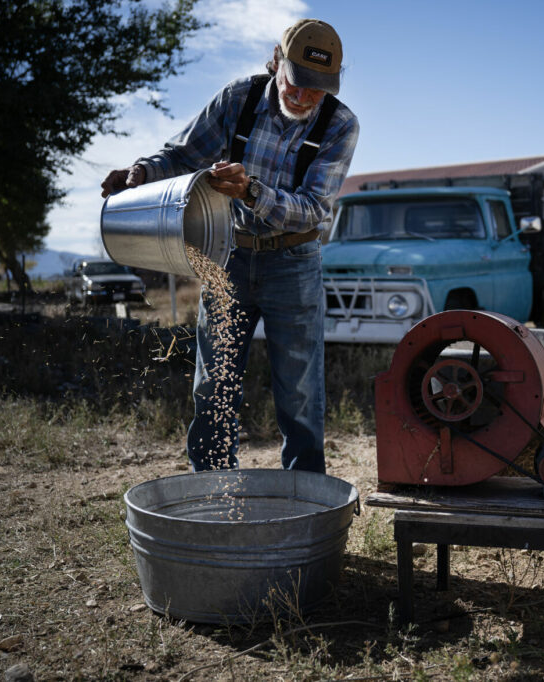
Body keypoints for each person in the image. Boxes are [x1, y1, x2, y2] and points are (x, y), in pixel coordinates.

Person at [101, 19, 359, 473]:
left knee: (300, 390)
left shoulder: (340, 126)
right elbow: (181, 155)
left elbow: (313, 207)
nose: (303, 98)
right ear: (277, 63)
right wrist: (140, 174)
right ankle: (213, 486)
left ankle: (306, 496)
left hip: (294, 263)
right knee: (213, 381)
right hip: (230, 258)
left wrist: (251, 191)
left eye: (316, 91)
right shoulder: (237, 99)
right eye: (296, 84)